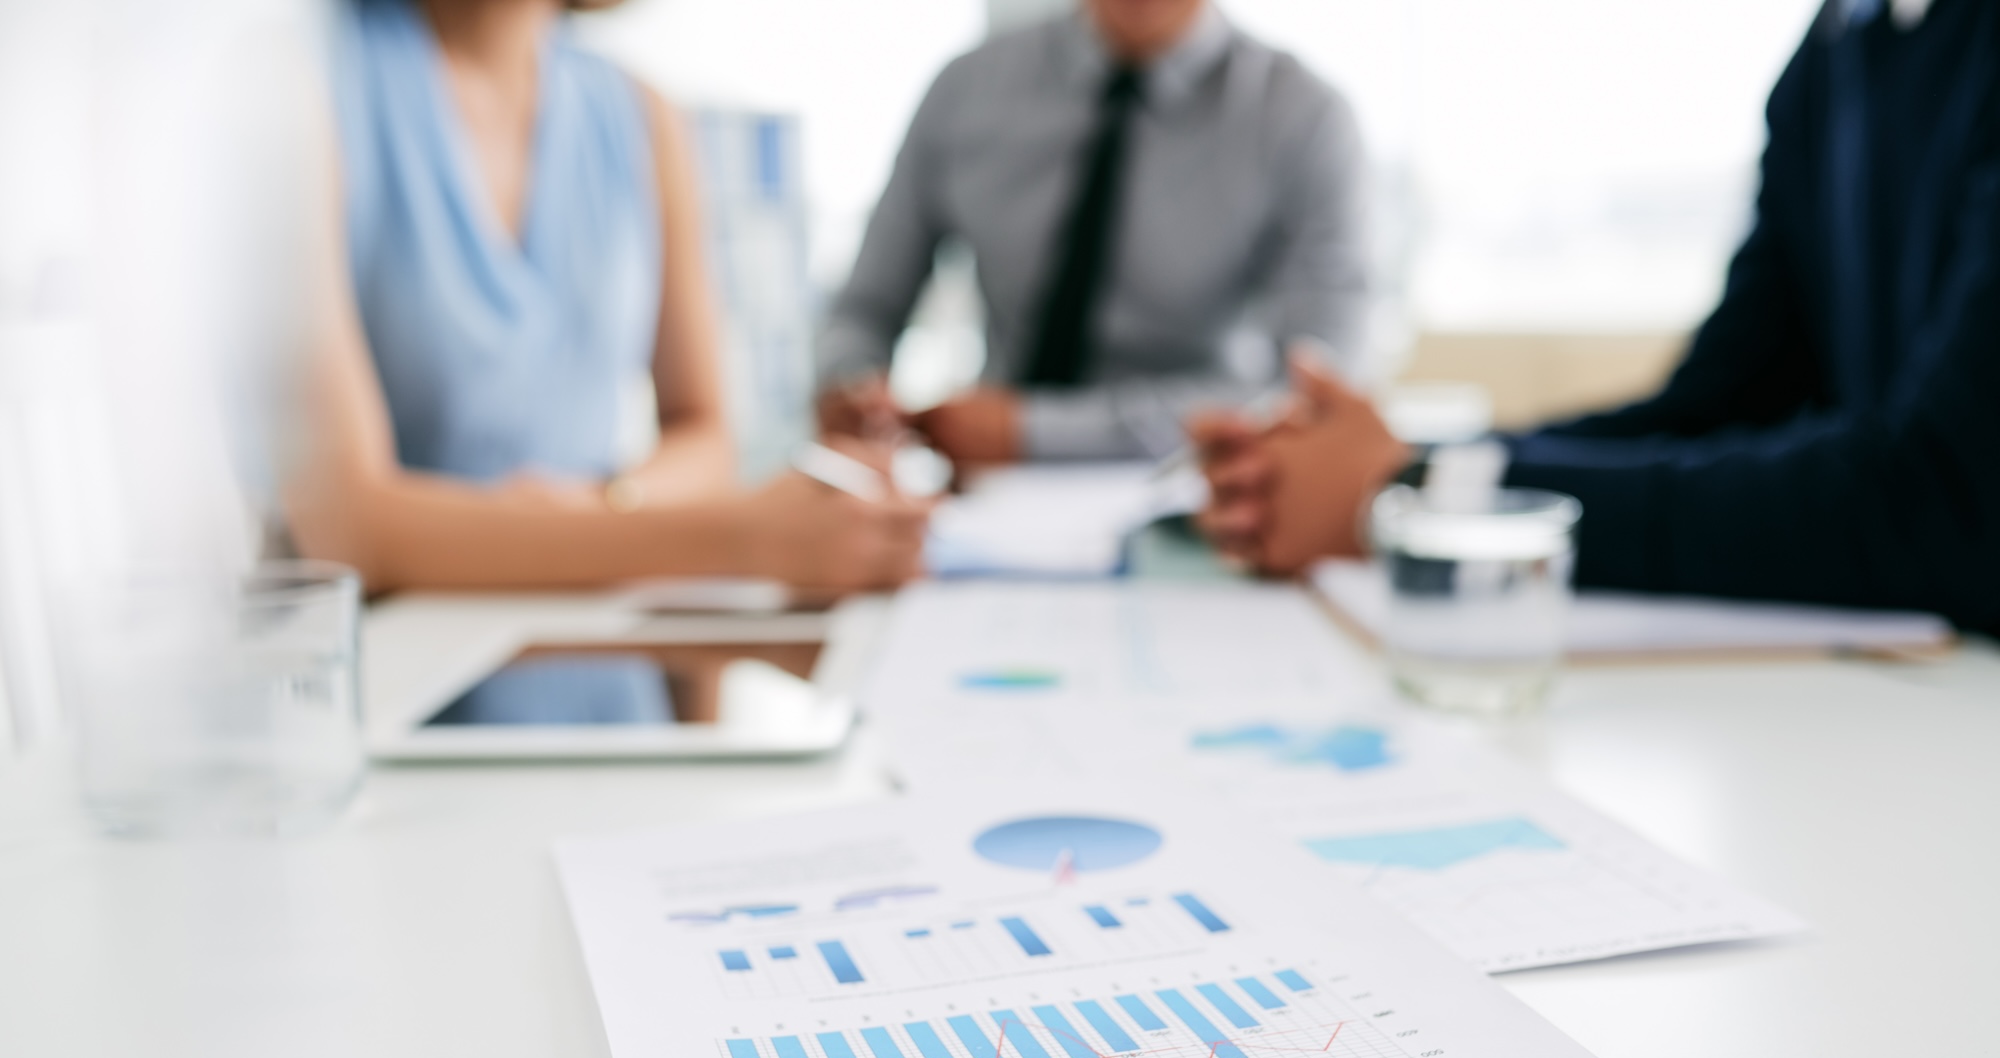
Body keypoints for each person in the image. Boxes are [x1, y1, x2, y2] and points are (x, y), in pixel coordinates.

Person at [1199, 0, 2000, 632]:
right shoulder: (1836, 47)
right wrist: (1407, 464)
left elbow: (1943, 501)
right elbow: (1719, 404)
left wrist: (1415, 494)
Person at [289, 0, 929, 593]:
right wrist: (743, 538)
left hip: (609, 635)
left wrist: (607, 505)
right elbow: (348, 525)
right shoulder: (312, 82)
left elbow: (706, 435)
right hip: (413, 657)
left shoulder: (638, 113)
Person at [816, 0, 1370, 466]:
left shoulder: (1305, 116)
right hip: (981, 484)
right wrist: (854, 388)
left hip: (1199, 483)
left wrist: (1038, 432)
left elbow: (1311, 392)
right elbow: (864, 309)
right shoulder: (964, 90)